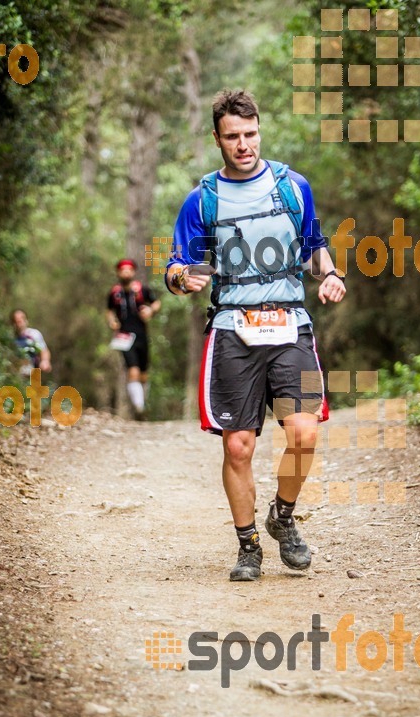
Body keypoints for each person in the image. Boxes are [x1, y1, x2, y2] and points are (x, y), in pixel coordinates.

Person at [166, 88, 346, 582]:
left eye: (250, 134)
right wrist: (184, 278)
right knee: (238, 446)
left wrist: (330, 275)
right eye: (232, 137)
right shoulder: (203, 199)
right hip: (232, 331)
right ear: (217, 139)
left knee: (305, 433)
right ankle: (248, 547)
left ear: (259, 129)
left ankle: (282, 517)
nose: (243, 144)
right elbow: (176, 267)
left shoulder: (292, 186)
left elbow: (314, 246)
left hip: (291, 325)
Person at [106, 258, 161, 416]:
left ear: (133, 272)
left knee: (143, 374)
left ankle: (142, 403)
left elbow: (156, 302)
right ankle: (139, 408)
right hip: (124, 337)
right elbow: (109, 310)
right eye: (123, 270)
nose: (126, 273)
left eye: (129, 270)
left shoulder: (142, 290)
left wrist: (150, 310)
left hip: (142, 335)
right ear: (118, 273)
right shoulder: (114, 293)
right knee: (133, 370)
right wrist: (112, 321)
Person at [11, 309, 52, 377]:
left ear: (26, 321)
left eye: (20, 321)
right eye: (16, 321)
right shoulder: (10, 338)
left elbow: (44, 350)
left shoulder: (34, 334)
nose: (19, 324)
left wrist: (45, 361)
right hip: (16, 375)